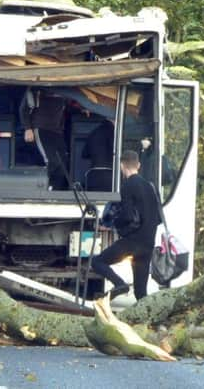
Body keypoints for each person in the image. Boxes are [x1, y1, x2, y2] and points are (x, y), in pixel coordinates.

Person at [91, 150, 161, 300]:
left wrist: (112, 225)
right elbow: (159, 218)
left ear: (122, 166)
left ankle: (119, 284)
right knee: (140, 292)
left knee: (97, 262)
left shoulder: (128, 185)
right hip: (148, 244)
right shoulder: (151, 187)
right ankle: (147, 321)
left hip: (132, 243)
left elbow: (128, 215)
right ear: (139, 165)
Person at [20, 88, 69, 190]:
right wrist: (28, 129)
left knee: (63, 162)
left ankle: (57, 190)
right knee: (51, 161)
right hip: (41, 129)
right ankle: (48, 188)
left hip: (57, 131)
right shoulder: (35, 89)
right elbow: (23, 109)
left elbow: (72, 103)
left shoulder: (65, 88)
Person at [82, 119, 114, 191]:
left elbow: (84, 154)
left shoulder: (93, 132)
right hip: (110, 176)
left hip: (93, 176)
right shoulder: (114, 133)